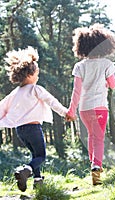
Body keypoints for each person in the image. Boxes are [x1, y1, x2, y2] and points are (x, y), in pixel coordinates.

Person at [0, 46, 73, 192]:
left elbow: (1, 107)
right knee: (41, 155)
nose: (38, 75)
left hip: (20, 131)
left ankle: (38, 182)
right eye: (36, 72)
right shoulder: (35, 89)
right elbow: (52, 102)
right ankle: (25, 171)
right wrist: (65, 113)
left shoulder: (14, 93)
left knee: (35, 155)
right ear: (29, 74)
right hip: (33, 128)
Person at [67, 23, 115, 185]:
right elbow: (113, 84)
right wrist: (106, 83)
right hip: (100, 108)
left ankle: (94, 164)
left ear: (82, 46)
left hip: (84, 109)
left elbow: (76, 91)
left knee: (91, 136)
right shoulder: (107, 64)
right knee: (99, 138)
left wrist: (71, 110)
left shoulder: (79, 66)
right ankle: (96, 166)